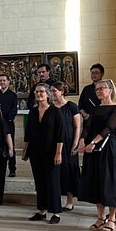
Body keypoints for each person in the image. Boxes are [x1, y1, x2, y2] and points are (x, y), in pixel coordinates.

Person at [79, 79, 116, 231]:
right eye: (96, 89)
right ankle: (100, 217)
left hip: (108, 148)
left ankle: (112, 218)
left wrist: (93, 142)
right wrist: (83, 140)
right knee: (96, 180)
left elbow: (109, 128)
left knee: (110, 181)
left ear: (109, 90)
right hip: (92, 148)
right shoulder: (96, 109)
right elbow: (88, 126)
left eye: (101, 88)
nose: (98, 91)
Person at [22, 83, 64, 224]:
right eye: (36, 92)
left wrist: (58, 154)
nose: (39, 94)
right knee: (39, 182)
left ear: (48, 94)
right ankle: (42, 210)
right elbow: (28, 133)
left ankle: (56, 212)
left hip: (51, 152)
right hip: (35, 152)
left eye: (41, 92)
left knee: (52, 182)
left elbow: (60, 135)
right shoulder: (33, 112)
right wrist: (25, 150)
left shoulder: (55, 111)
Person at [50, 81, 81, 212]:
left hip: (68, 143)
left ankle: (69, 201)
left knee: (69, 172)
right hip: (54, 143)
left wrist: (75, 143)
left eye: (54, 91)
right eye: (50, 91)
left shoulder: (72, 106)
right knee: (56, 172)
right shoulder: (51, 107)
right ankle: (56, 200)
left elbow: (77, 126)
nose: (51, 94)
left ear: (61, 91)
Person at [0, 73, 18, 178]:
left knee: (10, 145)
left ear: (8, 82)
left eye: (4, 80)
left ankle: (12, 169)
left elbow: (14, 110)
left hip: (8, 123)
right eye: (1, 80)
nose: (2, 82)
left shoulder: (13, 95)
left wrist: (7, 119)